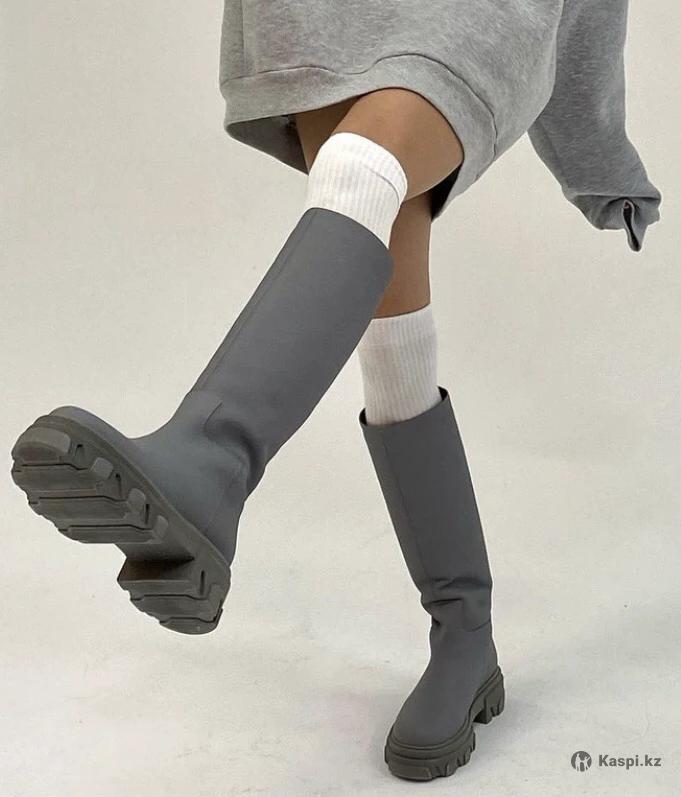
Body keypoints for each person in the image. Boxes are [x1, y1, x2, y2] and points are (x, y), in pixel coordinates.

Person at [11, 0, 661, 782]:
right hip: (328, 18)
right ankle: (464, 634)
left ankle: (212, 460)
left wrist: (601, 164)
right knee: (390, 326)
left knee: (360, 167)